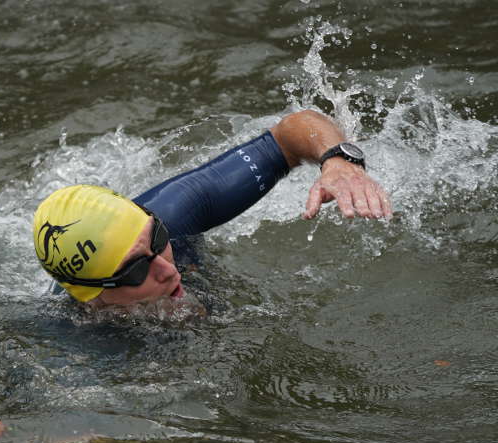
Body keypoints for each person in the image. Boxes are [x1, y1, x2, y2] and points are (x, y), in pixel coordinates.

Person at [32, 109, 392, 306]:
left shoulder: (171, 214)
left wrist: (338, 160)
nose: (165, 269)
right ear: (92, 296)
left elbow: (291, 133)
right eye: (133, 272)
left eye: (157, 240)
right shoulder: (75, 351)